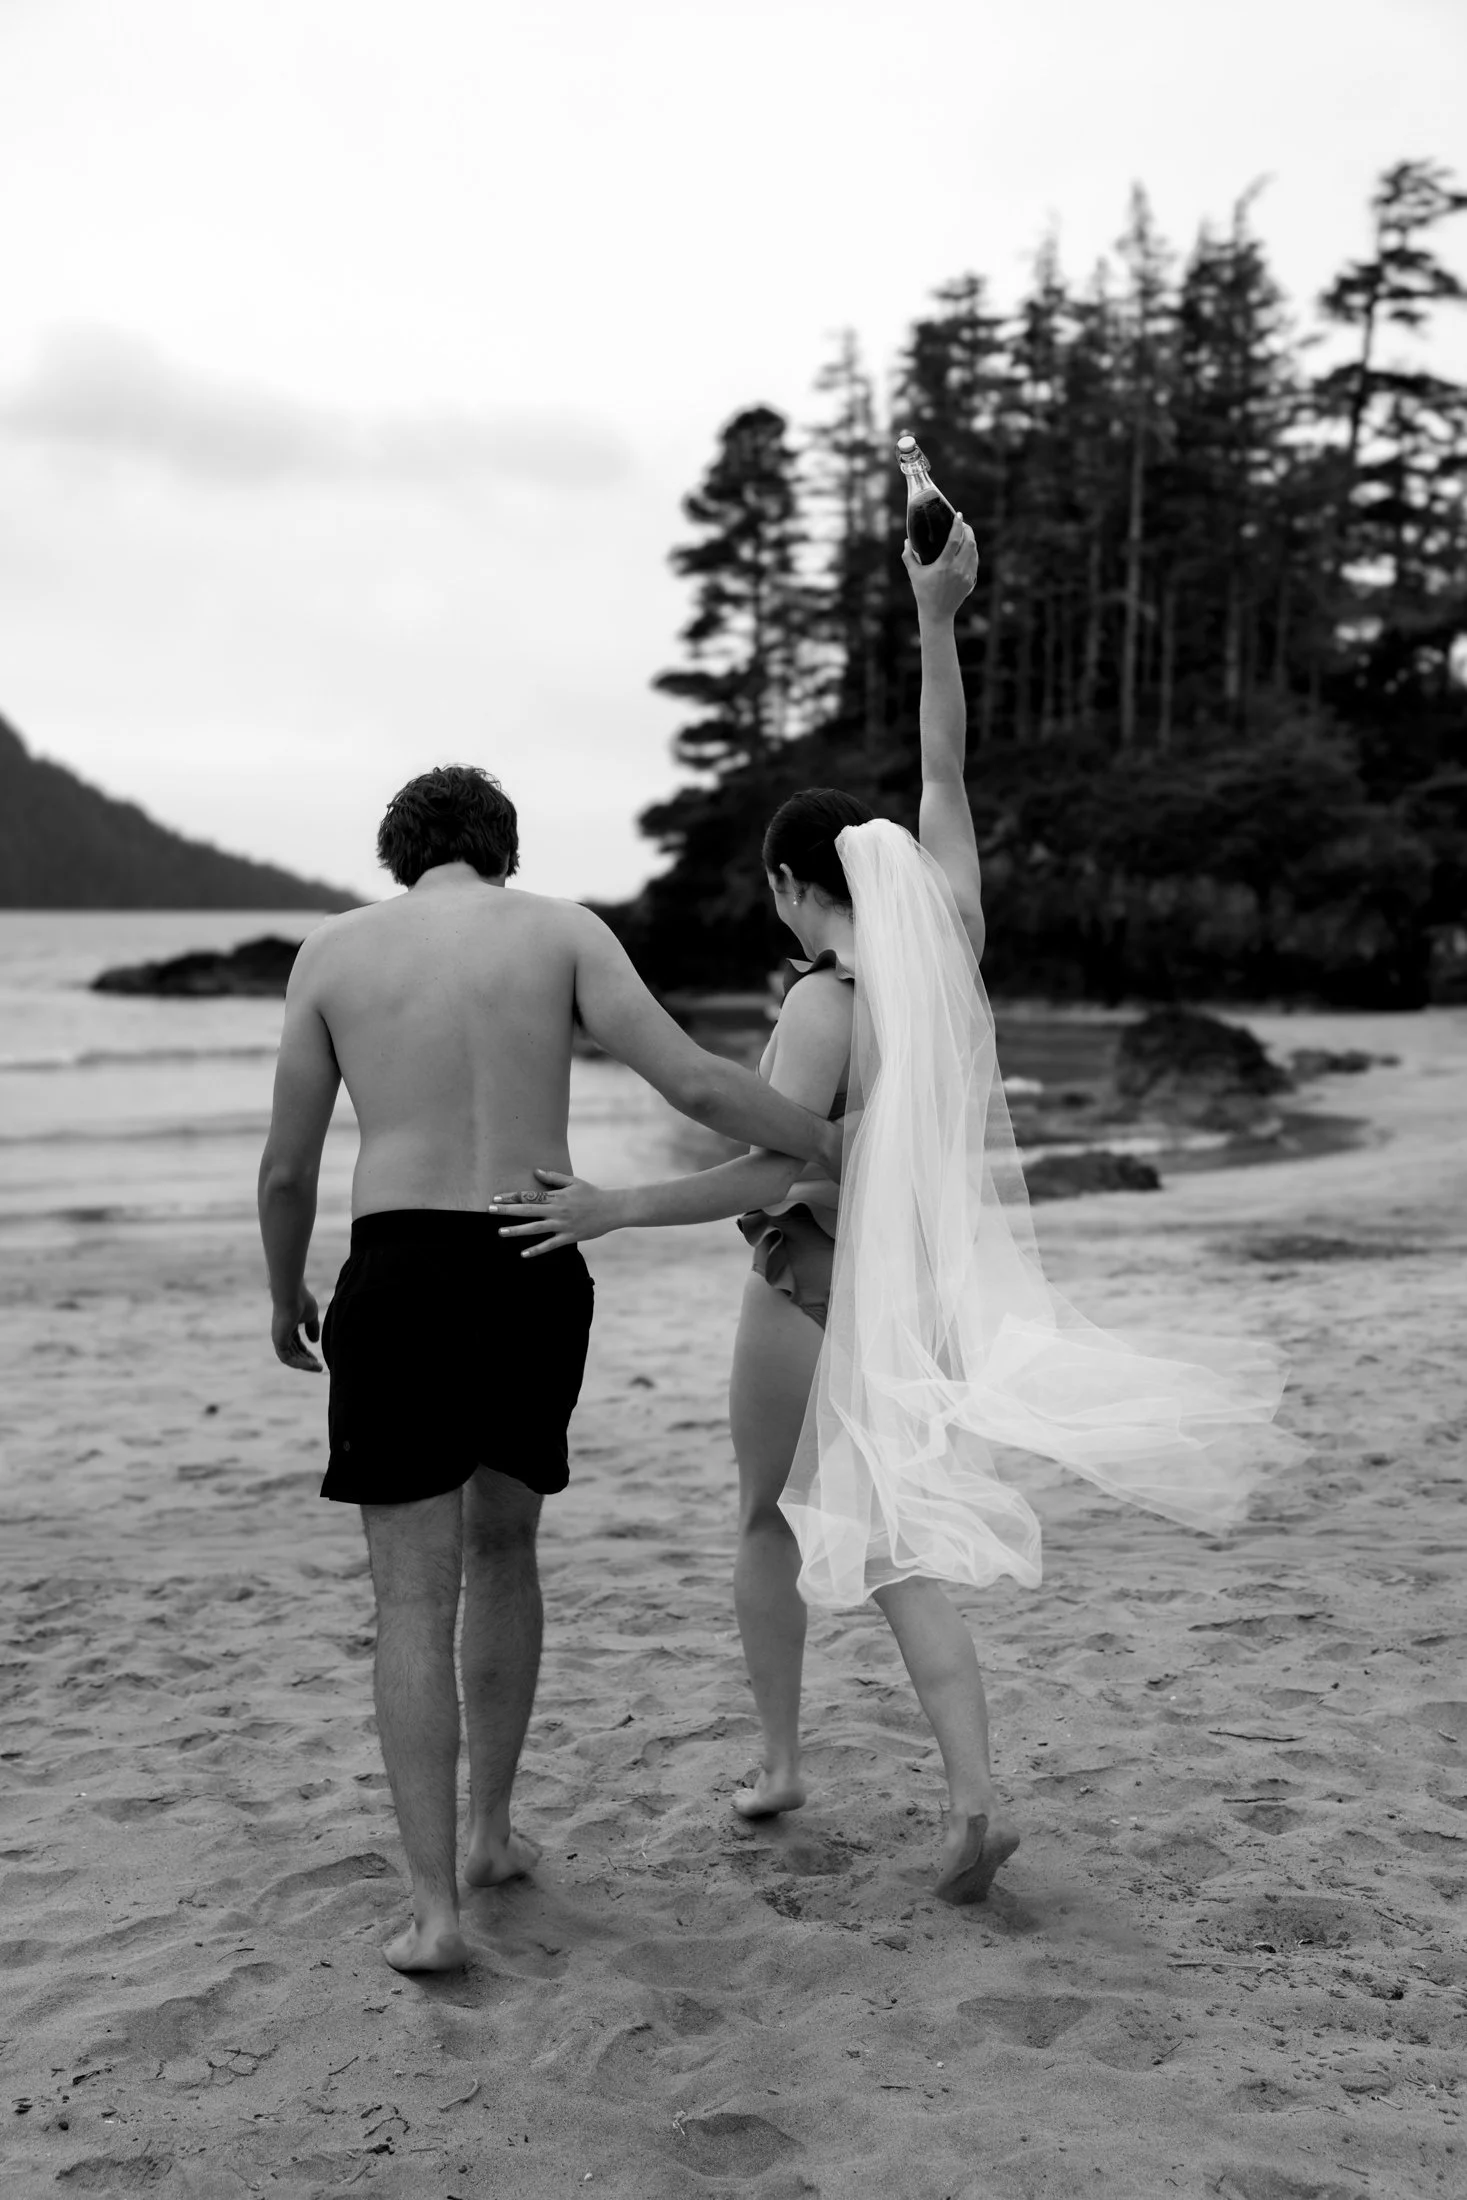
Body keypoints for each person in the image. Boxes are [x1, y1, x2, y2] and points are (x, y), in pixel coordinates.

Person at [490, 517, 1301, 1905]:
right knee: (895, 1535)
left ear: (800, 889)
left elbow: (774, 1169)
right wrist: (936, 615)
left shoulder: (817, 1003)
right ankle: (974, 1798)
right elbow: (945, 771)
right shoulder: (952, 949)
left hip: (808, 1290)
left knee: (766, 1518)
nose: (783, 924)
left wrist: (618, 1204)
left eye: (778, 899)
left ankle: (778, 1759)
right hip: (918, 1294)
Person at [257, 765, 845, 1974]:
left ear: (399, 855)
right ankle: (489, 1836)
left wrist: (285, 1291)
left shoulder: (332, 954)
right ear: (503, 850)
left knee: (410, 1596)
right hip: (534, 1251)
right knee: (503, 1547)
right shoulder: (564, 931)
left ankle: (433, 1912)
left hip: (402, 1263)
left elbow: (286, 1167)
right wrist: (832, 1136)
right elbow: (690, 1079)